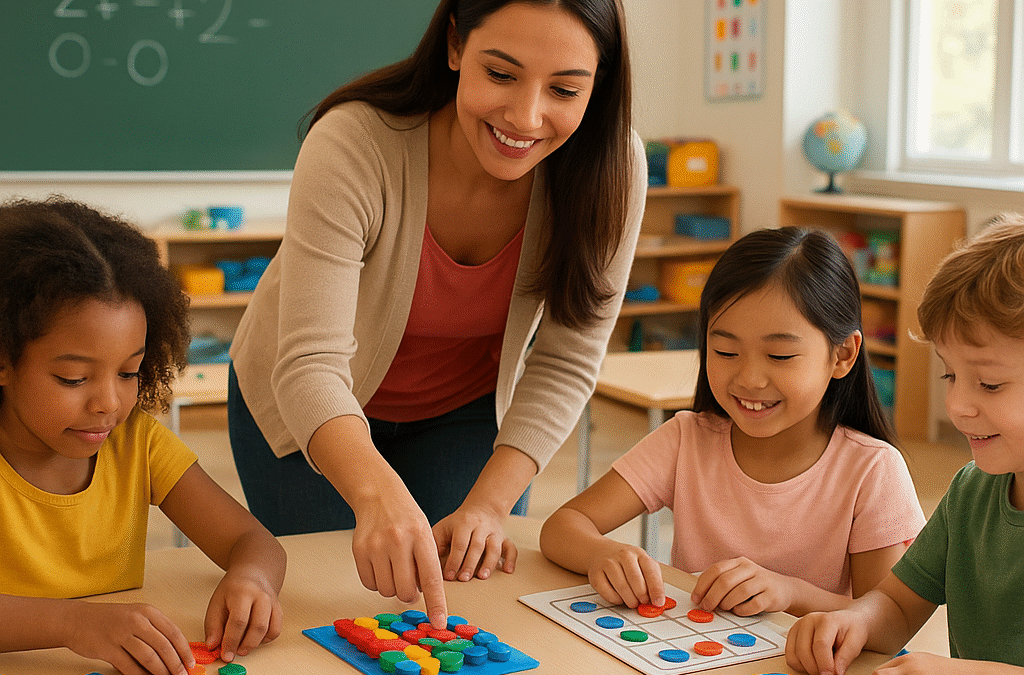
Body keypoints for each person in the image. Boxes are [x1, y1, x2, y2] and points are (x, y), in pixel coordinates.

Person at [227, 0, 644, 629]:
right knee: (333, 610)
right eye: (500, 74)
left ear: (598, 85)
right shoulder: (354, 141)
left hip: (463, 410)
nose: (526, 117)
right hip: (305, 403)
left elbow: (564, 362)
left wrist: (490, 506)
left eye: (564, 90)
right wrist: (375, 492)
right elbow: (310, 365)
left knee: (465, 608)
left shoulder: (612, 166)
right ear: (454, 45)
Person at [540, 227, 926, 618]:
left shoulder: (872, 470)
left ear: (842, 355)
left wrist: (790, 593)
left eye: (779, 356)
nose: (750, 379)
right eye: (725, 351)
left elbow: (886, 617)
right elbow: (563, 526)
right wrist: (603, 553)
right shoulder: (685, 440)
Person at [0, 197, 286, 675]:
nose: (109, 404)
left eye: (129, 373)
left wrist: (252, 578)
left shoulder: (137, 444)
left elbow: (252, 540)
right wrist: (73, 624)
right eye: (73, 378)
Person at [786, 213, 1024, 675]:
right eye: (950, 375)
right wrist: (853, 621)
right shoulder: (971, 492)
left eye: (989, 384)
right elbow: (897, 605)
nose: (957, 406)